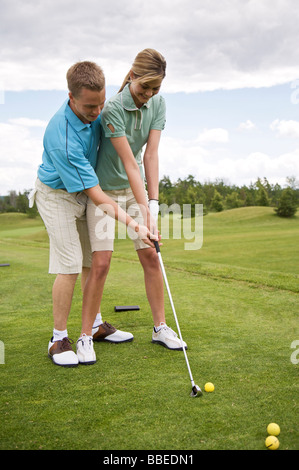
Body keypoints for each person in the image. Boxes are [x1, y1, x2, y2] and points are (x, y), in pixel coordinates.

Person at [31, 61, 156, 368]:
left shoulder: (100, 107)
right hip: (58, 195)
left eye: (101, 103)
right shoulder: (62, 136)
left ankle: (96, 324)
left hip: (87, 191)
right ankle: (58, 338)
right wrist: (135, 224)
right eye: (89, 106)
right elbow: (96, 195)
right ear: (71, 97)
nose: (97, 111)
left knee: (91, 261)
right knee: (71, 264)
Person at [85, 49, 187, 350]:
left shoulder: (158, 103)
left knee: (151, 254)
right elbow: (130, 162)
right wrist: (145, 214)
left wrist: (151, 207)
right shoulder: (112, 108)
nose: (148, 95)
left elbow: (150, 154)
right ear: (132, 77)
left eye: (155, 89)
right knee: (101, 262)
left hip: (134, 190)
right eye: (145, 88)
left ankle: (160, 328)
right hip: (102, 191)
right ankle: (88, 332)